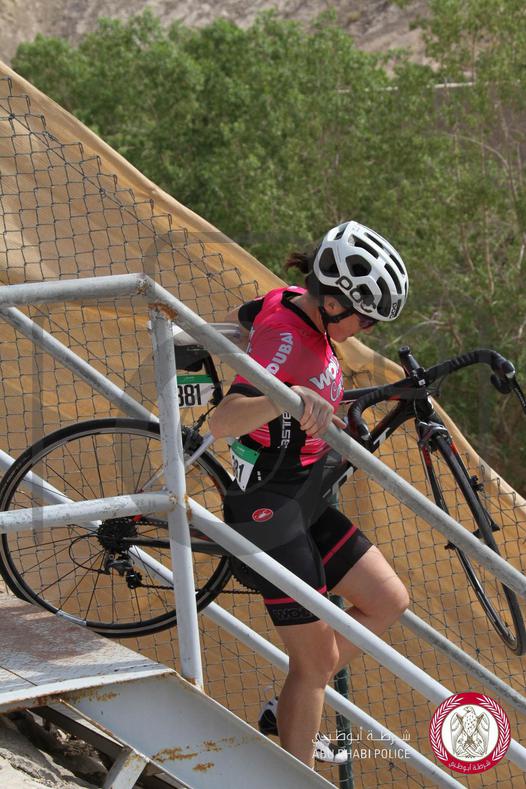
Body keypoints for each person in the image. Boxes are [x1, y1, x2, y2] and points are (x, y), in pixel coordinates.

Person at [208, 220, 410, 768]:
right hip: (268, 509)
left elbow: (249, 312)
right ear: (335, 301)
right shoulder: (290, 337)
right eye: (366, 316)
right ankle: (295, 754)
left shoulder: (297, 302)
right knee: (316, 665)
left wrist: (310, 403)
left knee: (387, 600)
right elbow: (224, 420)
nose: (367, 328)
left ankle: (293, 701)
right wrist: (289, 396)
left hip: (304, 495)